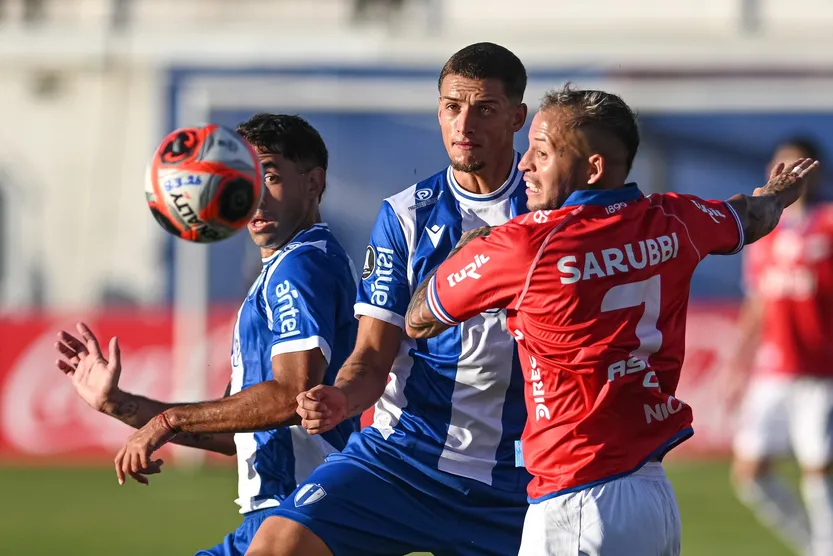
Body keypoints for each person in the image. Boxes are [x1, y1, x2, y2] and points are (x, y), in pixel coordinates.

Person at [402, 85, 819, 556]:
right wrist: (778, 194)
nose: (524, 165)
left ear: (593, 168)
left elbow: (420, 318)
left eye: (542, 153)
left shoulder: (522, 246)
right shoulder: (675, 219)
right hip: (654, 500)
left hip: (577, 500)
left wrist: (469, 248)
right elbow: (752, 216)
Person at [244, 42, 531, 556]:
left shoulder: (552, 213)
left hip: (517, 477)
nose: (464, 124)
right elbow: (373, 355)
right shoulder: (405, 216)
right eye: (452, 107)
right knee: (277, 546)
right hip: (403, 459)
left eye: (484, 109)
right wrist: (342, 397)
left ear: (517, 117)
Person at [53, 113, 360, 556]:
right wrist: (118, 404)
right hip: (278, 517)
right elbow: (232, 434)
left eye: (270, 176)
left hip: (304, 514)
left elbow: (292, 394)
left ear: (314, 183)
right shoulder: (286, 266)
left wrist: (168, 422)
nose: (254, 195)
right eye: (244, 180)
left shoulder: (302, 264)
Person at [727, 138, 833, 556]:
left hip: (820, 372)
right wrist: (738, 364)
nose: (787, 173)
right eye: (780, 164)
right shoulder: (763, 232)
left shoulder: (827, 223)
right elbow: (758, 303)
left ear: (815, 172)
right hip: (772, 371)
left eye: (797, 165)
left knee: (818, 473)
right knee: (750, 475)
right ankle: (816, 547)